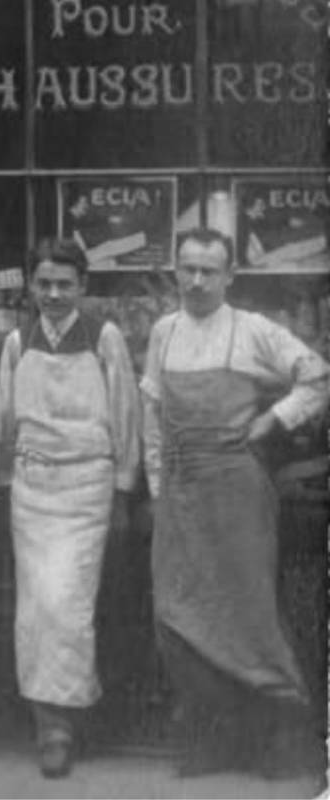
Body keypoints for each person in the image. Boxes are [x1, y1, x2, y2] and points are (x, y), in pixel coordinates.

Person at [141, 228, 330, 778]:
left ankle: (279, 745)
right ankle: (214, 742)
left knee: (247, 616)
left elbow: (318, 377)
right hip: (179, 490)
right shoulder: (162, 332)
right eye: (187, 268)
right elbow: (152, 415)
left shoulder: (253, 331)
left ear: (229, 277)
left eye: (208, 270)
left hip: (237, 491)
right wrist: (156, 490)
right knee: (177, 612)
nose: (196, 281)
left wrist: (271, 420)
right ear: (176, 270)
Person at [0, 238, 140, 778]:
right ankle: (48, 724)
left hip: (87, 487)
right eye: (44, 284)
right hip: (32, 489)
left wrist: (123, 489)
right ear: (31, 286)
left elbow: (125, 414)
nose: (53, 294)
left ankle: (70, 720)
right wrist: (9, 479)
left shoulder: (105, 339)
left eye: (64, 285)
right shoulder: (17, 341)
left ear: (83, 286)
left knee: (68, 606)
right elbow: (5, 421)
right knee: (35, 607)